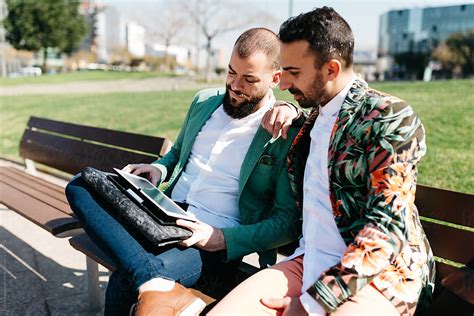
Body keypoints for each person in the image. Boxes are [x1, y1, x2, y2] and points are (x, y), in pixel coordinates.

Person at [210, 7, 435, 316]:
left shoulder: (389, 118)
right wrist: (291, 111)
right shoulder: (313, 116)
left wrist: (313, 302)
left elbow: (385, 230)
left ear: (331, 69)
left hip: (379, 276)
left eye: (294, 73)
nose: (284, 84)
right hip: (308, 260)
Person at [65, 28, 301, 316]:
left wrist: (221, 239)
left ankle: (150, 281)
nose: (235, 86)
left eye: (249, 79)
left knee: (129, 276)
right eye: (230, 73)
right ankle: (153, 283)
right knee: (81, 184)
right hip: (163, 214)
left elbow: (287, 222)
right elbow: (177, 153)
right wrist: (157, 169)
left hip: (210, 237)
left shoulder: (283, 131)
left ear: (275, 78)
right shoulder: (204, 101)